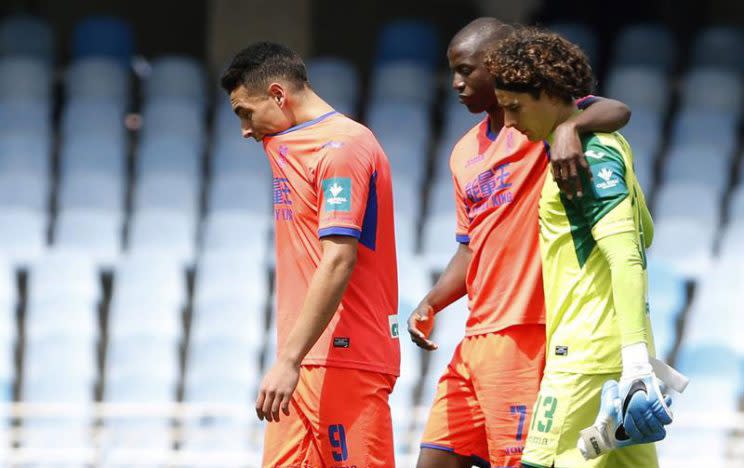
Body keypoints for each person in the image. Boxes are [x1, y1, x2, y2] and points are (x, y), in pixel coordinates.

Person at [407, 18, 631, 468]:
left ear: (500, 66)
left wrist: (571, 129)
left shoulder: (538, 124)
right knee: (432, 459)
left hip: (527, 333)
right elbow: (470, 247)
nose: (456, 83)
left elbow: (618, 110)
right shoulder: (463, 152)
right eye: (452, 71)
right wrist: (431, 302)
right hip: (475, 336)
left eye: (467, 70)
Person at [484, 27, 666, 467]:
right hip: (610, 353)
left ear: (549, 94)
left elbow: (625, 255)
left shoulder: (590, 155)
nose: (507, 121)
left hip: (584, 359)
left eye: (514, 107)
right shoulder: (591, 138)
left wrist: (637, 364)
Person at [220, 41, 400, 467]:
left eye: (246, 113)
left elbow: (338, 258)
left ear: (279, 95)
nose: (245, 129)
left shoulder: (343, 148)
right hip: (304, 362)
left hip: (347, 354)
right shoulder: (286, 140)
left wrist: (287, 360)